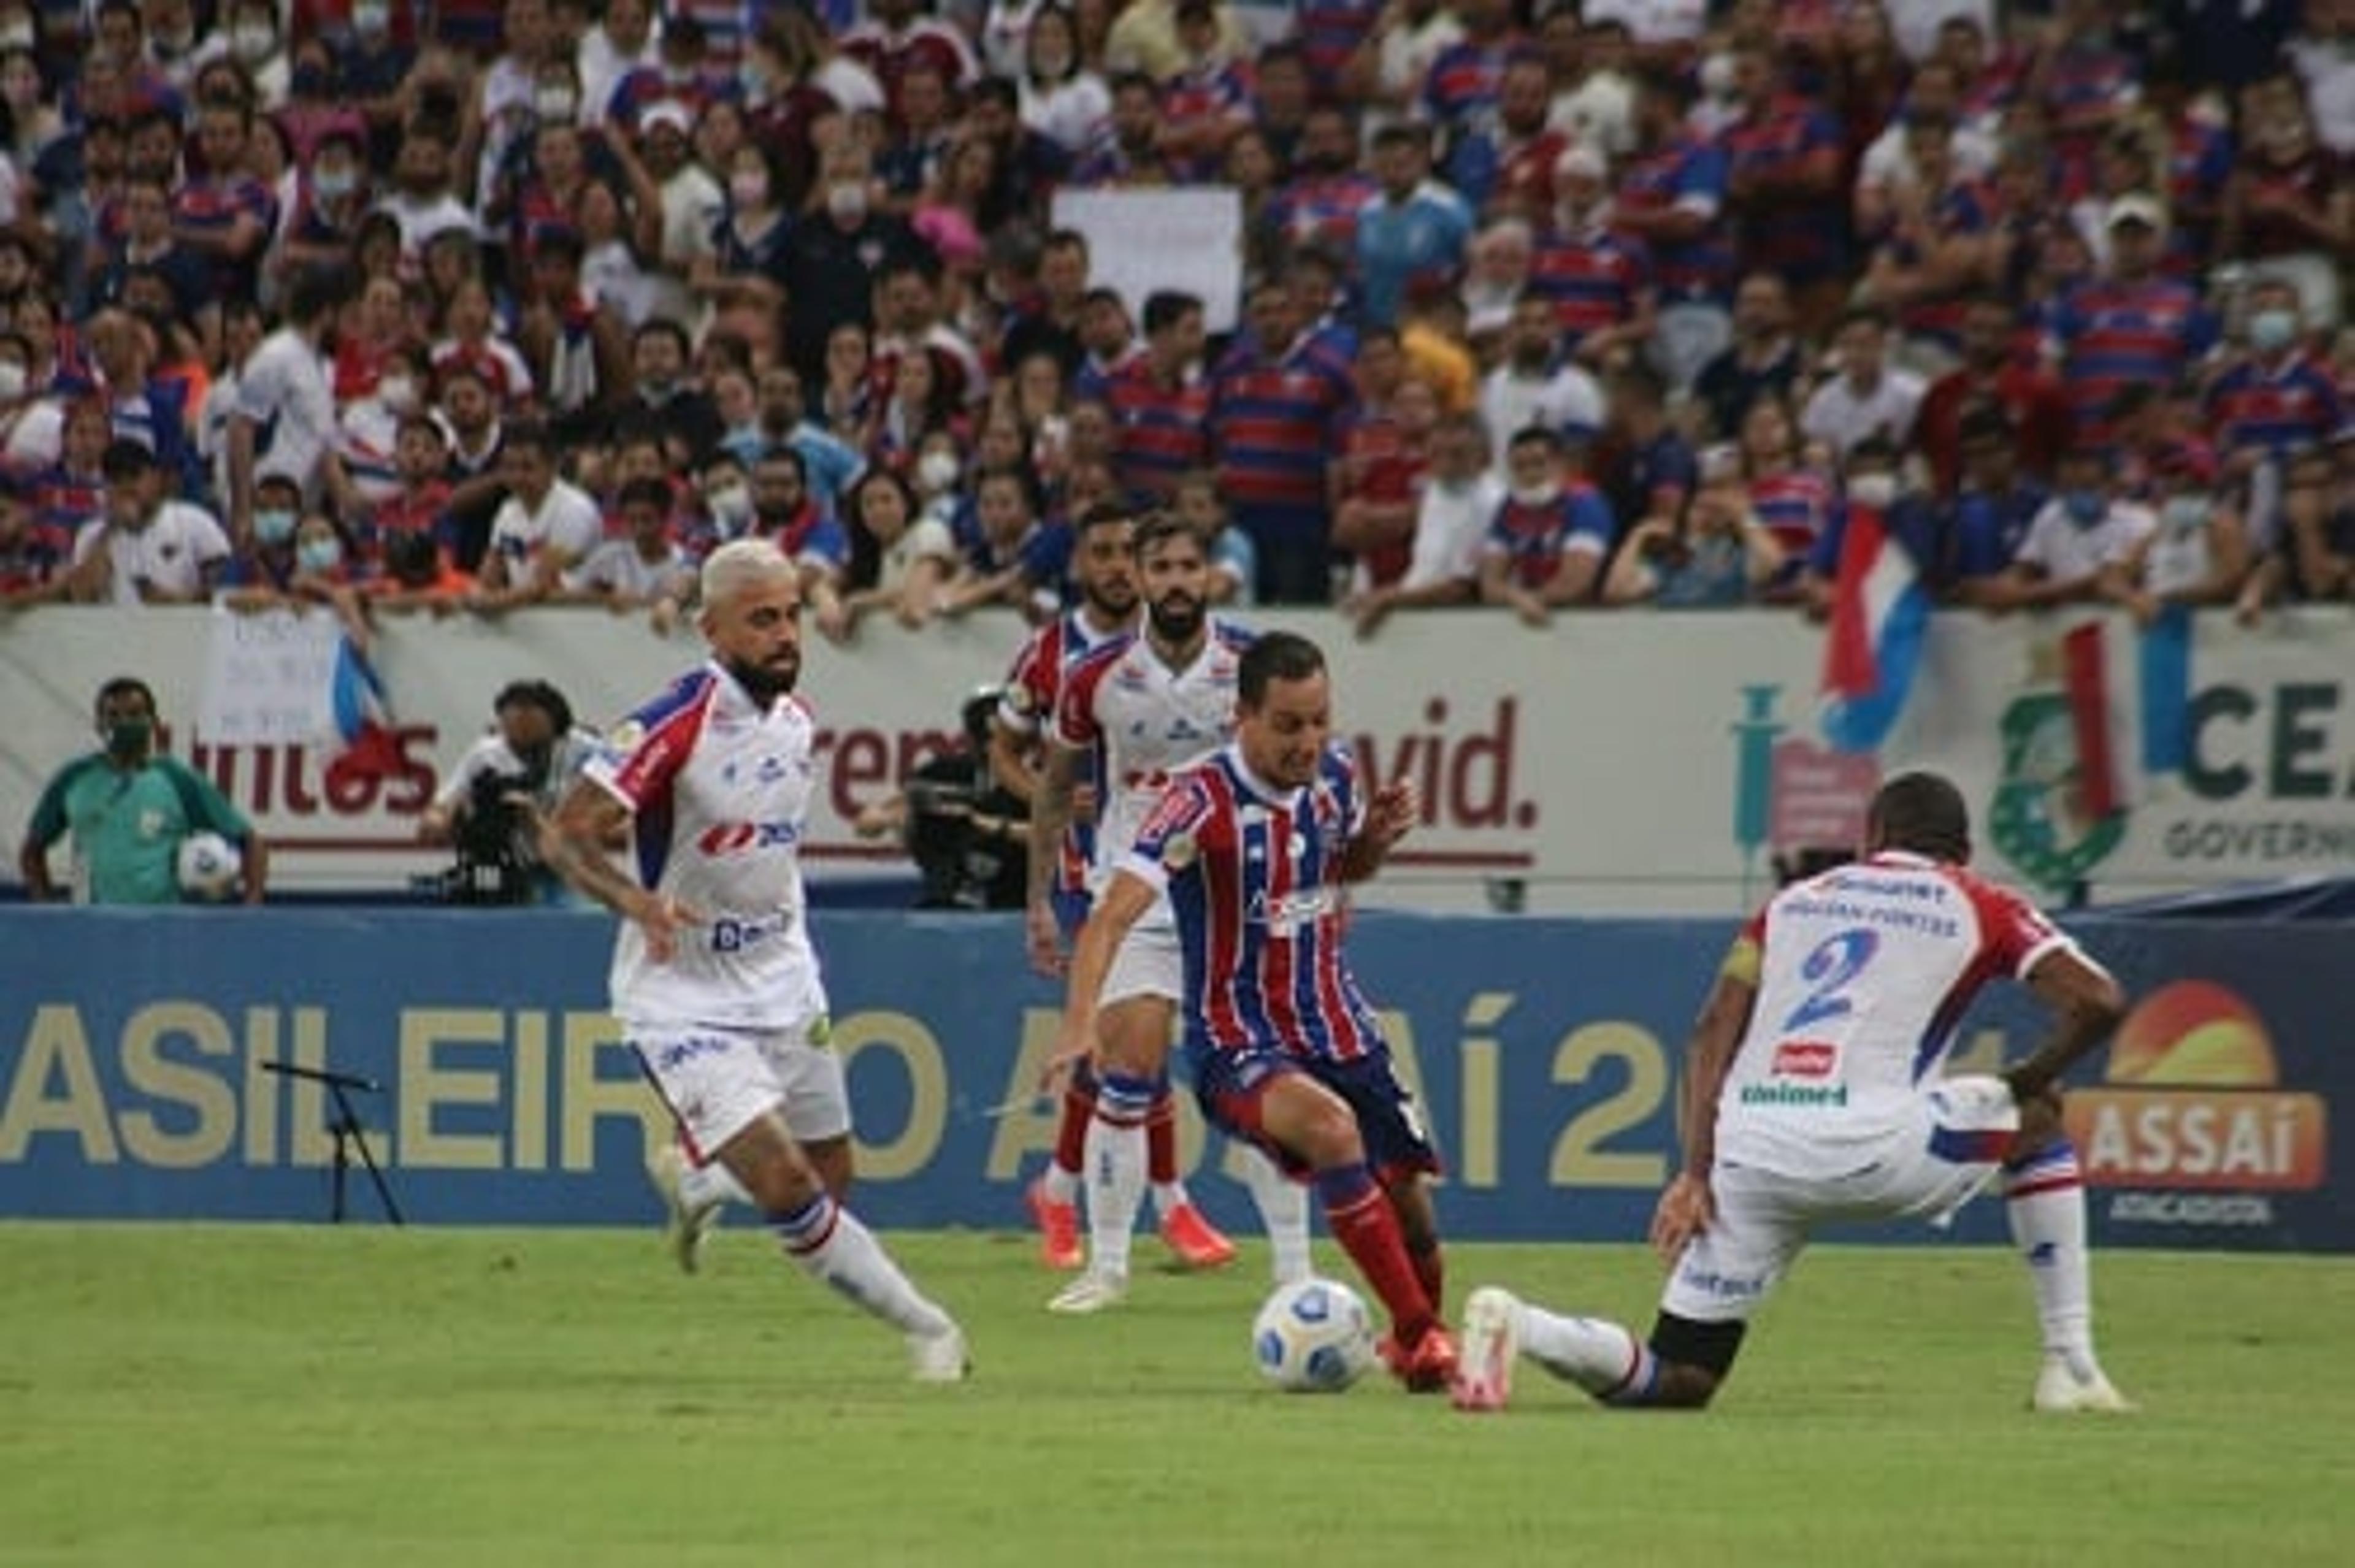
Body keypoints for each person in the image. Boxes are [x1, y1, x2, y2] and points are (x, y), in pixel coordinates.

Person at [1452, 772, 2134, 1415]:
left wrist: (1694, 1174)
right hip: (1878, 1150)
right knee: (2038, 1117)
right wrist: (2029, 1076)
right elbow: (2100, 1001)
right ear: (1963, 852)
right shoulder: (1982, 902)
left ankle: (1521, 1323)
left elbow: (1711, 1029)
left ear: (1872, 838)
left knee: (1680, 1377)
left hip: (1751, 1158)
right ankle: (2070, 1364)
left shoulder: (1789, 904)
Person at [543, 539, 969, 1381]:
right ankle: (933, 1332)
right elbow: (564, 830)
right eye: (762, 619)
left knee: (829, 1176)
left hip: (781, 974)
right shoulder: (678, 715)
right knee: (784, 1181)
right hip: (680, 990)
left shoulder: (795, 720)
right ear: (713, 628)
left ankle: (700, 1175)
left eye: (790, 615)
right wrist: (636, 902)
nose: (784, 634)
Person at [1053, 630, 1460, 1390]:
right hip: (1240, 1040)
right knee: (1333, 1133)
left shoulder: (1337, 777)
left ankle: (1418, 1351)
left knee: (1410, 1198)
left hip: (1338, 1023)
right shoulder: (1195, 799)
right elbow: (1111, 918)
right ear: (1242, 715)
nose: (1309, 742)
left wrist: (1373, 840)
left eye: (1319, 721)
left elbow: (1343, 871)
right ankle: (1423, 1333)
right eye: (1289, 724)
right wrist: (1080, 1023)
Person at [1025, 514, 1312, 1309]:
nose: (1179, 579)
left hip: (1234, 895)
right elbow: (1054, 788)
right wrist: (1040, 900)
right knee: (1130, 1069)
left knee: (1266, 1083)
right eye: (1164, 566)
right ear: (1142, 579)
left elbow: (1299, 774)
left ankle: (1297, 1273)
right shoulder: (1095, 677)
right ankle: (1108, 1267)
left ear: (1211, 574)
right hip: (1138, 891)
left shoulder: (1252, 665)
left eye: (1192, 565)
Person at [989, 505, 1151, 1270]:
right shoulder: (1049, 655)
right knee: (1115, 1038)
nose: (1119, 566)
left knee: (1135, 1042)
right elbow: (1003, 753)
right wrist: (1049, 790)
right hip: (1090, 869)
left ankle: (1061, 1187)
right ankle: (1141, 1204)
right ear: (1080, 564)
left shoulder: (1176, 651)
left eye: (1130, 552)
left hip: (1170, 869)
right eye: (1105, 553)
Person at [19, 677, 268, 906]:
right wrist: (46, 910)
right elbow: (32, 850)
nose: (124, 723)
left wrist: (250, 910)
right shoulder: (74, 778)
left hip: (161, 930)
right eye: (113, 716)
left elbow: (251, 842)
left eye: (135, 714)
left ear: (154, 722)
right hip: (90, 927)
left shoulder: (176, 778)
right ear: (99, 724)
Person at [419, 680, 605, 906]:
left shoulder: (581, 747)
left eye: (532, 737)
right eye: (514, 737)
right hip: (506, 863)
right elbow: (443, 805)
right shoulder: (487, 754)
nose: (523, 747)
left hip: (569, 867)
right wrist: (438, 821)